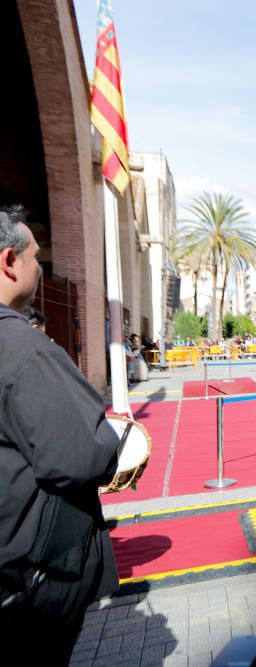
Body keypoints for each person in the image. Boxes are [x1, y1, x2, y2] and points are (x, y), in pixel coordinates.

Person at [0, 207, 120, 662]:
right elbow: (82, 455)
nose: (38, 269)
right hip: (24, 579)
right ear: (9, 261)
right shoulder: (22, 351)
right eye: (36, 259)